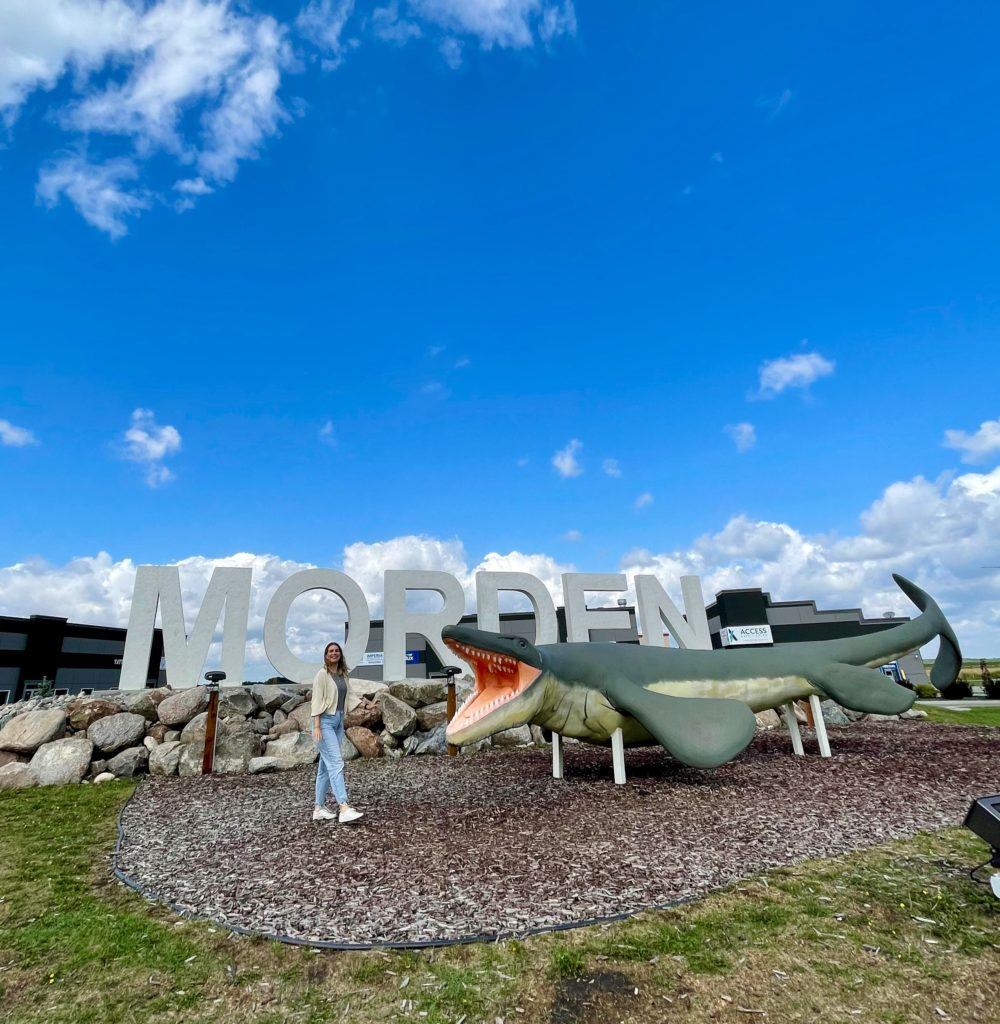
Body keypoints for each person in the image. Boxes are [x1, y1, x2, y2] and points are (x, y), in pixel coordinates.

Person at [311, 641, 363, 824]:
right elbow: (316, 700)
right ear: (326, 656)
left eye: (336, 651)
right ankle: (344, 807)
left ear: (340, 654)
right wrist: (316, 725)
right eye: (330, 651)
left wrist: (365, 704)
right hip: (323, 722)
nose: (334, 653)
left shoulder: (342, 674)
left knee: (325, 769)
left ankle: (319, 809)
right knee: (336, 763)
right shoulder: (322, 675)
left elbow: (349, 696)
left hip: (338, 721)